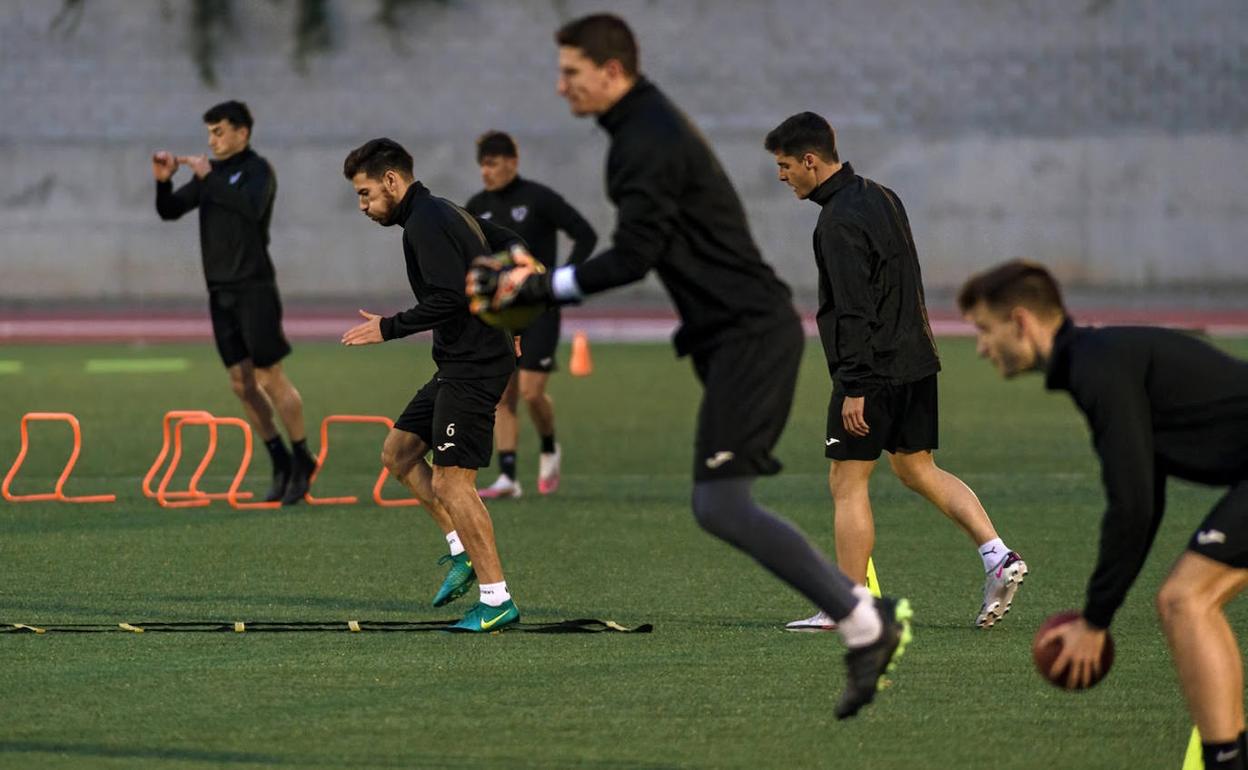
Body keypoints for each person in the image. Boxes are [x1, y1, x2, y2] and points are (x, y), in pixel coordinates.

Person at [467, 13, 911, 718]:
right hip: (727, 338)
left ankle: (864, 621)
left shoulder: (643, 139)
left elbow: (635, 256)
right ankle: (863, 623)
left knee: (720, 503)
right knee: (718, 503)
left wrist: (539, 286)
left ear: (611, 72)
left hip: (751, 335)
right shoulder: (640, 129)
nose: (561, 87)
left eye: (571, 74)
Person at [959, 259, 1248, 770]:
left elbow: (1131, 505)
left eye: (985, 329)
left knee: (1185, 600)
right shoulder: (1098, 361)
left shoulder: (1098, 367)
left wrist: (1095, 621)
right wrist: (1100, 612)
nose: (981, 346)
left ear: (1022, 323)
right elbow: (1146, 500)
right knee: (1191, 600)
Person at [764, 112, 1028, 631]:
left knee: (847, 480)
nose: (781, 176)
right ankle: (996, 554)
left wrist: (855, 386)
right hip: (915, 361)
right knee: (915, 468)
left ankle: (849, 606)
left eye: (785, 165)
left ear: (810, 161)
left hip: (872, 371)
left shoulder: (836, 221)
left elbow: (855, 307)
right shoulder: (883, 194)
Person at [341, 137, 524, 633]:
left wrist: (389, 327)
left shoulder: (426, 222)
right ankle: (461, 550)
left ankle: (496, 598)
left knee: (451, 480)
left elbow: (449, 299)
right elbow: (508, 240)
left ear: (392, 181)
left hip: (476, 365)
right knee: (399, 455)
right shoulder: (443, 211)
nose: (362, 205)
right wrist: (517, 320)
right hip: (460, 360)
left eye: (365, 194)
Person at [153, 100, 315, 506]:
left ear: (242, 133)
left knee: (269, 377)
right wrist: (162, 181)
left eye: (220, 131)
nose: (213, 140)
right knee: (241, 384)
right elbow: (169, 211)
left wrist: (210, 178)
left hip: (254, 288)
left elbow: (250, 210)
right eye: (209, 132)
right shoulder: (213, 175)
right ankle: (278, 458)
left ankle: (302, 457)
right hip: (219, 291)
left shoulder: (258, 170)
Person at [466, 130, 598, 499]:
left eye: (492, 164)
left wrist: (563, 281)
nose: (485, 172)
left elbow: (585, 234)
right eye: (482, 165)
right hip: (501, 315)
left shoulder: (539, 198)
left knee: (532, 392)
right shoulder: (476, 205)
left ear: (512, 162)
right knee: (503, 393)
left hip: (540, 308)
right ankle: (508, 478)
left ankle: (549, 445)